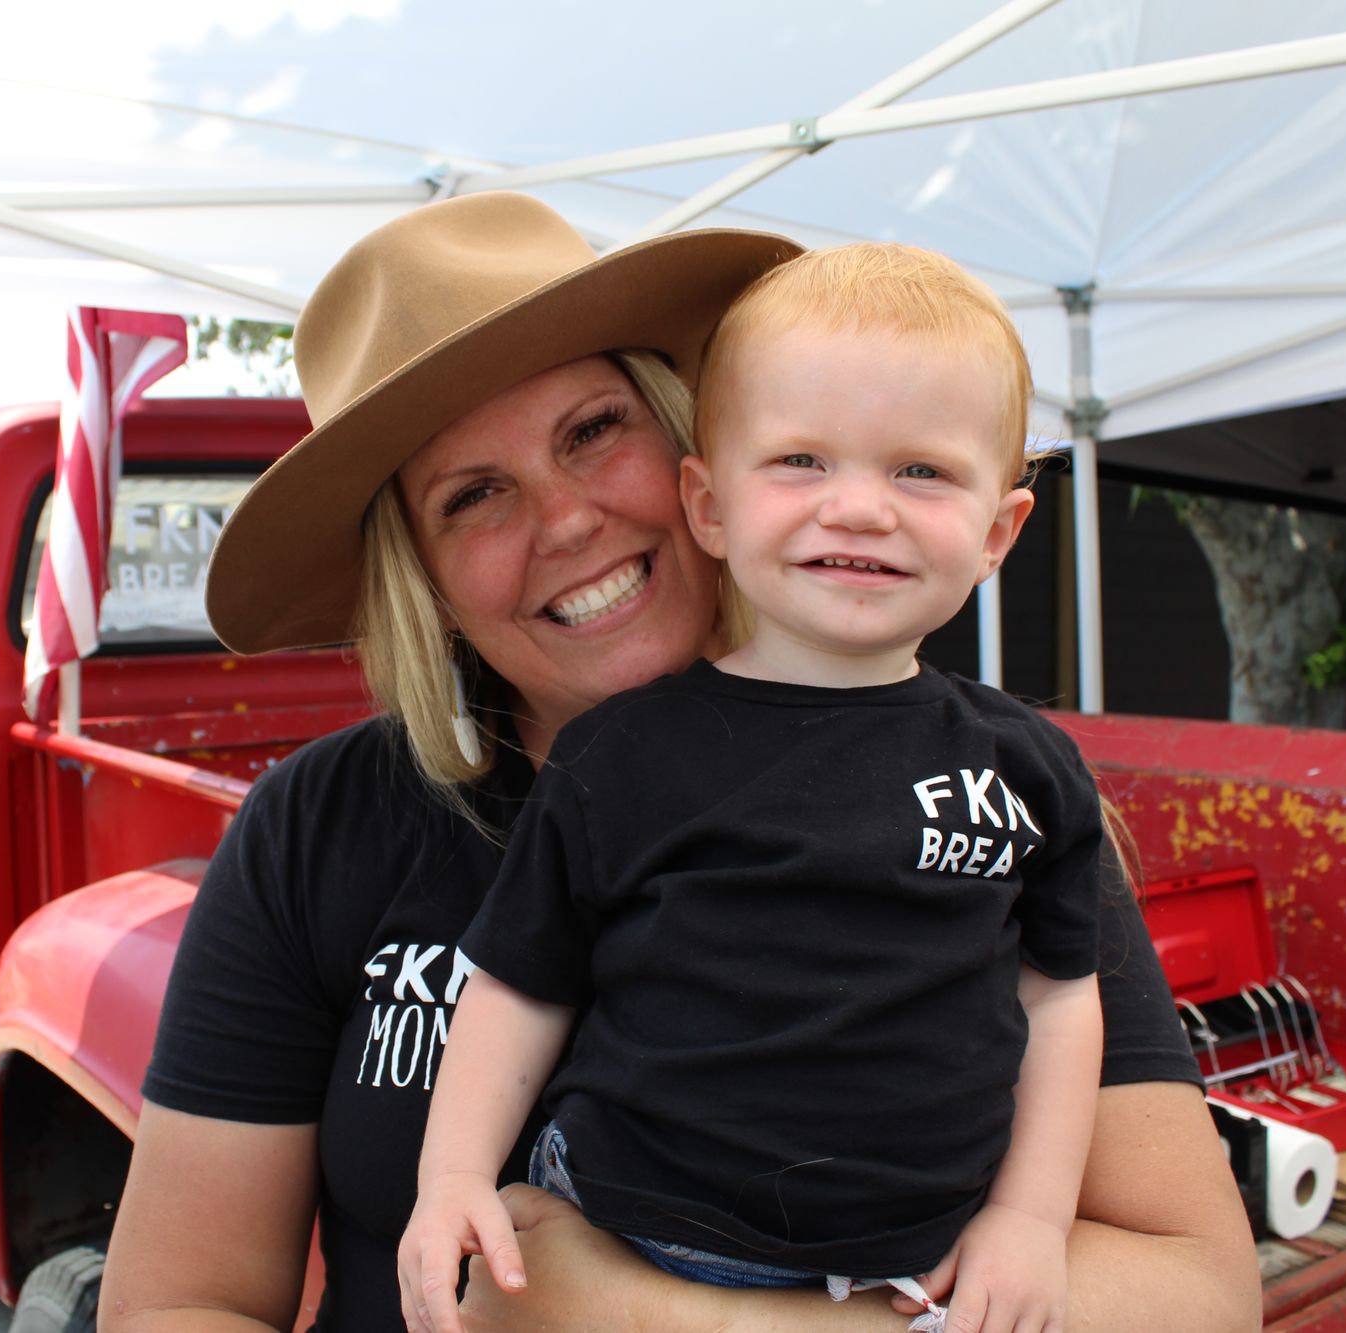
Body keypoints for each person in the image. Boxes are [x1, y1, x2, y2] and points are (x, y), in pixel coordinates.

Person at [100, 191, 1259, 1333]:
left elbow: (1197, 1294)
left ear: (689, 450)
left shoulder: (974, 787)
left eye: (593, 431)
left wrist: (651, 1322)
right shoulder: (322, 823)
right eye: (475, 495)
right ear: (427, 581)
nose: (563, 521)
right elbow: (176, 1302)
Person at [399, 241, 1100, 1333]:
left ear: (997, 532)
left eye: (919, 470)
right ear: (708, 505)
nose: (859, 508)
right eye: (800, 462)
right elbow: (517, 985)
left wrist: (1031, 1218)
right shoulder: (618, 758)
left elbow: (1057, 997)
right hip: (620, 1230)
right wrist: (450, 1178)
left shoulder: (1025, 768)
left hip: (905, 1271)